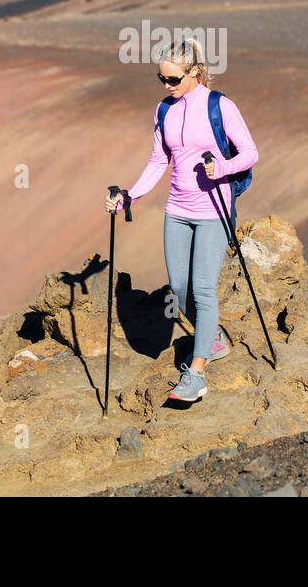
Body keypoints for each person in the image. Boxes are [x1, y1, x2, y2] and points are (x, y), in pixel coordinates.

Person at [104, 37, 258, 404]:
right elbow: (159, 160)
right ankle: (213, 339)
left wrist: (221, 167)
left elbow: (250, 152)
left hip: (213, 211)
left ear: (195, 72)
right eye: (162, 80)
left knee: (203, 289)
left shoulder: (220, 105)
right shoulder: (163, 110)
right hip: (177, 211)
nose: (168, 87)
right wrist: (130, 195)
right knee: (179, 288)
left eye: (174, 80)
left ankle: (198, 372)